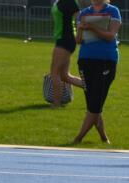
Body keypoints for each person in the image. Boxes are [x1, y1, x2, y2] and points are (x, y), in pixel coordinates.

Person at [72, 0, 120, 144]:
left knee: (95, 104)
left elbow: (111, 35)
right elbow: (78, 40)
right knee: (93, 104)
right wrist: (81, 29)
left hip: (106, 60)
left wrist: (92, 27)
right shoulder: (84, 13)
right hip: (85, 60)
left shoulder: (113, 11)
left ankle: (78, 138)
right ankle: (104, 138)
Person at [48, 0, 84, 108]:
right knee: (64, 76)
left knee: (55, 73)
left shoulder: (70, 2)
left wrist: (80, 35)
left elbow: (80, 18)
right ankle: (93, 88)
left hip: (65, 39)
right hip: (62, 39)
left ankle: (56, 104)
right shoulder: (58, 1)